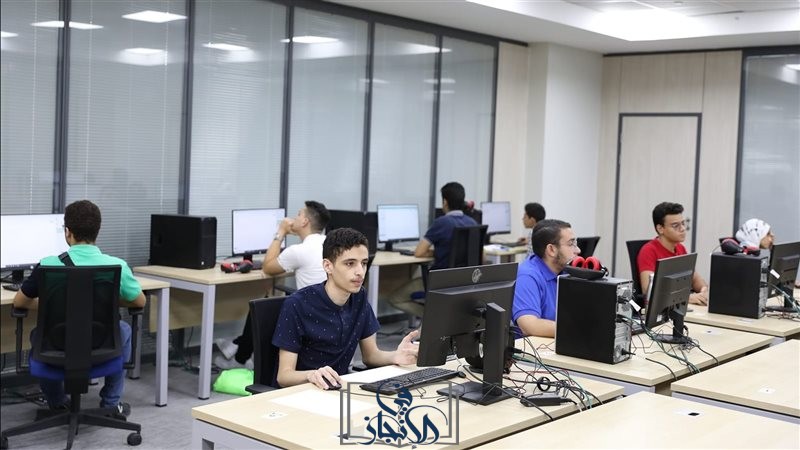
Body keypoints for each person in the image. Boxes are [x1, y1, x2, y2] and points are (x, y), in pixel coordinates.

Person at [13, 200, 146, 416]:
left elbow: (19, 302)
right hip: (101, 345)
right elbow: (139, 302)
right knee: (124, 330)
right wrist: (105, 300)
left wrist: (52, 304)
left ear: (67, 232)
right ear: (97, 231)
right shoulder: (117, 266)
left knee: (38, 334)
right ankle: (111, 403)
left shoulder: (47, 264)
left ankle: (57, 402)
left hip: (56, 346)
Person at [272, 228, 419, 389]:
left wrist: (396, 356)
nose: (360, 272)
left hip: (337, 388)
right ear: (328, 266)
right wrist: (311, 375)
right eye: (350, 264)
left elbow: (371, 356)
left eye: (364, 263)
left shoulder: (359, 297)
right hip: (300, 392)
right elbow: (284, 376)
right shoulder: (297, 304)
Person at [215, 201, 331, 370]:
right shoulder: (329, 244)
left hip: (308, 316)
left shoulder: (299, 251)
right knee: (268, 300)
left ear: (305, 222)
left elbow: (268, 267)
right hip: (327, 313)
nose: (294, 218)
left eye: (299, 214)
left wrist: (281, 232)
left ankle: (240, 358)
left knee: (259, 307)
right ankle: (238, 347)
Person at [387, 182, 478, 318]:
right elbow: (480, 256)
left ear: (445, 202)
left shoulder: (442, 223)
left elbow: (419, 252)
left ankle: (434, 320)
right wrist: (442, 252)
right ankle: (440, 319)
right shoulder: (473, 223)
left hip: (439, 282)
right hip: (466, 283)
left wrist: (437, 252)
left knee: (396, 298)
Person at [512, 219, 580, 338]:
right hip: (534, 348)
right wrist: (578, 330)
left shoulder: (565, 271)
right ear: (551, 250)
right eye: (571, 244)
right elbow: (529, 325)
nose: (578, 250)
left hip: (556, 342)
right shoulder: (527, 276)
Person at [637, 202, 709, 305]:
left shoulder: (680, 248)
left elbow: (695, 279)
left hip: (680, 306)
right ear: (660, 229)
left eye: (683, 223)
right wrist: (687, 297)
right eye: (675, 226)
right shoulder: (648, 251)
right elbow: (648, 290)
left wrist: (704, 290)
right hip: (661, 309)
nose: (682, 229)